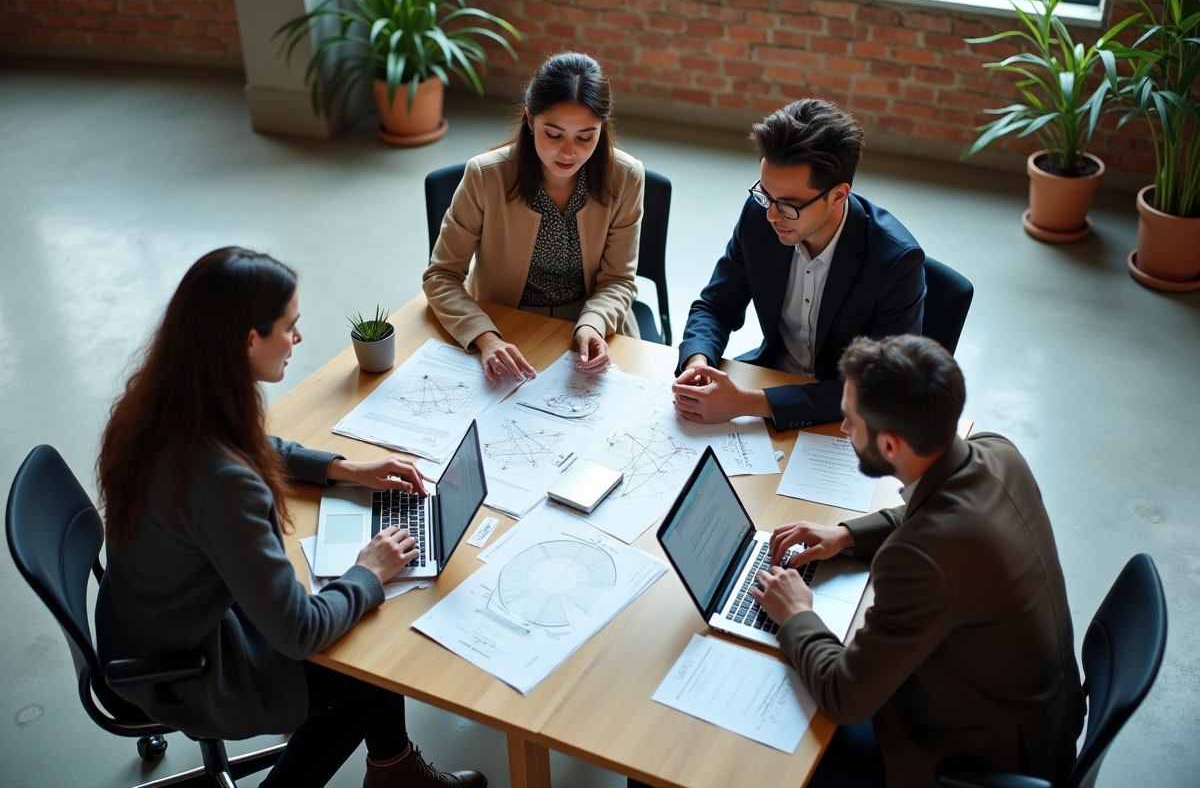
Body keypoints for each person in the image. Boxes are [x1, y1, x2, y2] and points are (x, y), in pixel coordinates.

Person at [95, 248, 485, 788]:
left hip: (145, 620)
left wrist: (345, 468)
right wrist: (369, 571)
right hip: (190, 668)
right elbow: (299, 633)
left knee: (358, 614)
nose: (298, 338)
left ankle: (395, 771)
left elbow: (255, 445)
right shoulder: (222, 483)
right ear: (248, 340)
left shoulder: (167, 400)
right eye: (289, 326)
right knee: (374, 664)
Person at [750, 335, 1085, 788]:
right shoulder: (997, 450)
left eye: (850, 422)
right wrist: (847, 534)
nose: (845, 431)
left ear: (889, 446)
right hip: (1043, 716)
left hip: (987, 758)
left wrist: (796, 614)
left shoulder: (917, 560)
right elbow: (937, 506)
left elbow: (845, 696)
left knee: (769, 753)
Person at [671, 99, 925, 431]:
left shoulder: (896, 262)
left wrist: (748, 403)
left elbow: (879, 387)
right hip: (771, 375)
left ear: (838, 195)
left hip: (845, 414)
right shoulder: (758, 216)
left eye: (789, 205)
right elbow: (715, 306)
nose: (771, 215)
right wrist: (698, 360)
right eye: (765, 194)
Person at [423, 51, 644, 383]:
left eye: (586, 137)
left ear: (603, 127)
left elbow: (618, 281)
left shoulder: (626, 177)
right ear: (529, 119)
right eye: (553, 134)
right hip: (503, 326)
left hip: (590, 328)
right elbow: (440, 276)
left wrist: (593, 324)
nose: (568, 152)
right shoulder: (485, 176)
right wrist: (486, 338)